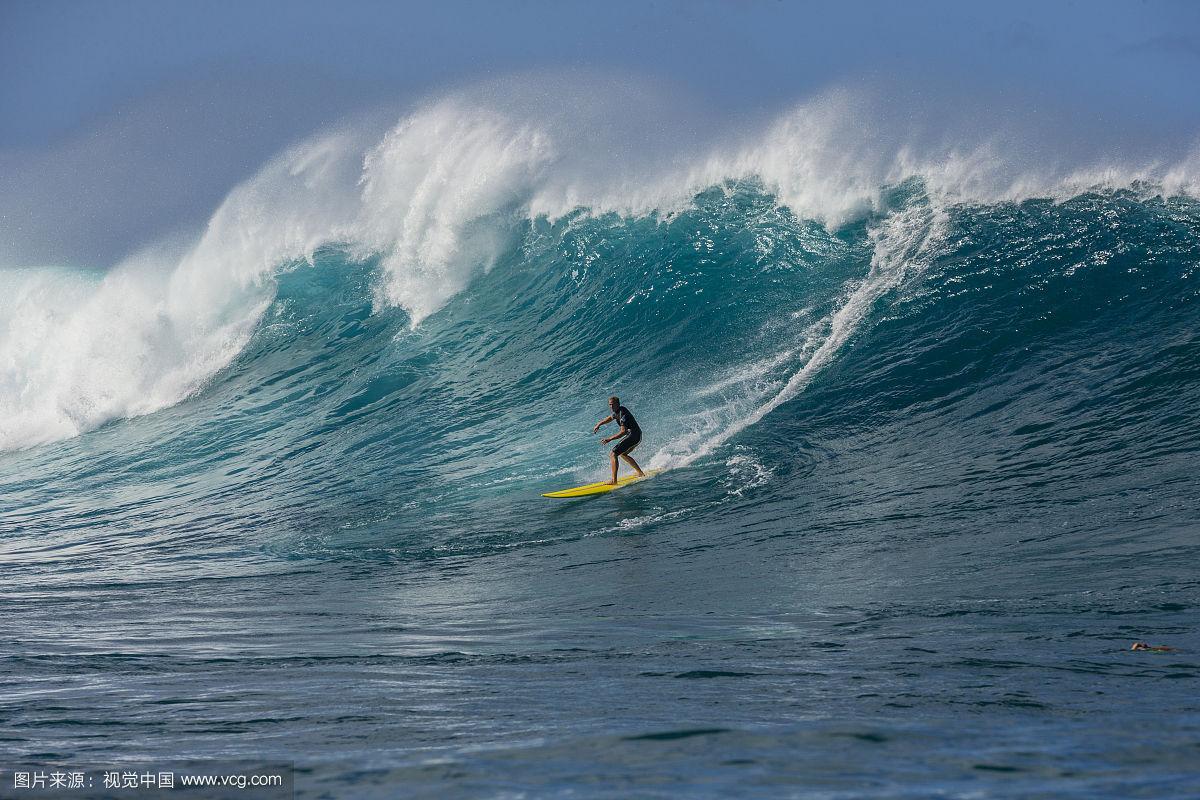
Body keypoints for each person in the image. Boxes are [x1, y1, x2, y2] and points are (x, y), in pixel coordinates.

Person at [592, 395, 646, 485]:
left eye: (613, 404)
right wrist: (599, 424)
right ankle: (640, 473)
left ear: (618, 404)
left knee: (613, 454)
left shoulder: (622, 414)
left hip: (634, 436)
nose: (611, 406)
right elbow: (610, 418)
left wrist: (609, 439)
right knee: (623, 454)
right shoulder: (617, 411)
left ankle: (614, 481)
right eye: (609, 404)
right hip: (636, 435)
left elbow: (623, 432)